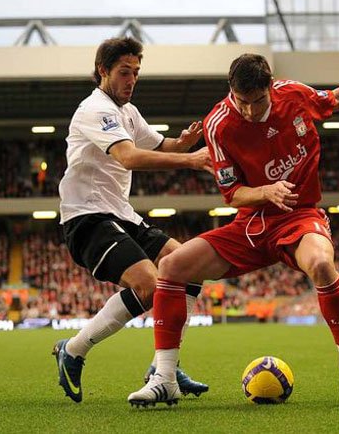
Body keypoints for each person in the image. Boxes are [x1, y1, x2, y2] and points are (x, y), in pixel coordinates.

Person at [128, 54, 339, 409]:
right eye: (243, 102)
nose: (251, 111)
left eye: (258, 101)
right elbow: (233, 193)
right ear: (231, 92)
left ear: (271, 87)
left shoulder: (294, 95)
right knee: (173, 267)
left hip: (299, 216)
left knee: (320, 264)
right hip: (251, 224)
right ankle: (164, 379)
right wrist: (265, 192)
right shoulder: (218, 124)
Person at [53, 36, 212, 403]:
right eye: (125, 72)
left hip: (122, 215)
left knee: (189, 267)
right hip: (87, 217)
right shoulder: (95, 109)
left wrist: (185, 142)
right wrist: (190, 160)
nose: (131, 80)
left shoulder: (128, 111)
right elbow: (129, 157)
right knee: (149, 285)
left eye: (136, 73)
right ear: (102, 71)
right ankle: (73, 350)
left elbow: (161, 146)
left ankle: (164, 370)